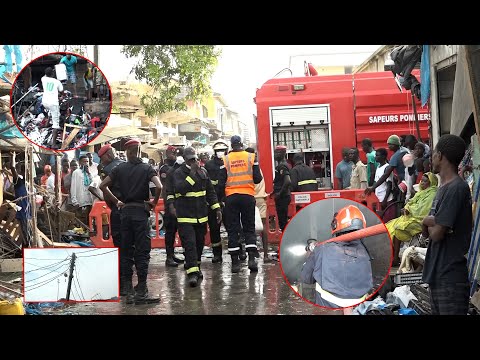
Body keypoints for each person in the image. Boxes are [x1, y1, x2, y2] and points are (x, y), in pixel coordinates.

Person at [100, 138, 162, 304]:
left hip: (124, 213)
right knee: (142, 251)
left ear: (127, 152)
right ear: (139, 151)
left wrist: (117, 201)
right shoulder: (147, 168)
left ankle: (127, 287)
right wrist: (154, 203)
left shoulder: (120, 169)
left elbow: (102, 186)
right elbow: (160, 187)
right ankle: (141, 289)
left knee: (126, 249)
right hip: (140, 213)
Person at [421, 134, 472, 315]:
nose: (431, 157)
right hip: (438, 274)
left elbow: (436, 234)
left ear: (440, 156)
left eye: (433, 153)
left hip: (450, 278)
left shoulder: (456, 188)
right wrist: (426, 223)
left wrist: (428, 221)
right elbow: (427, 233)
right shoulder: (443, 188)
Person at [300, 205, 373, 308]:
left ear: (335, 225)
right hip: (359, 309)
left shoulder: (322, 250)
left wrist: (310, 257)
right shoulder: (365, 252)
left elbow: (306, 278)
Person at [168, 147, 221, 286]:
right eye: (191, 159)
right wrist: (192, 174)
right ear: (185, 159)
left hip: (201, 216)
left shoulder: (203, 172)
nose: (194, 161)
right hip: (185, 217)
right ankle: (191, 273)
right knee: (189, 244)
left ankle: (196, 268)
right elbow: (181, 189)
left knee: (199, 244)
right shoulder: (178, 173)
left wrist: (217, 208)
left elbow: (210, 192)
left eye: (195, 158)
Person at [219, 136, 263, 273]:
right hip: (248, 197)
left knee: (233, 229)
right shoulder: (251, 157)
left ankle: (235, 264)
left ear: (231, 145)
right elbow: (257, 179)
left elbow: (221, 182)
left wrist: (221, 199)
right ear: (241, 144)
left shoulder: (225, 159)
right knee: (249, 228)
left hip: (231, 198)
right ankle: (251, 260)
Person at [386, 172, 438, 266]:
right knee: (388, 226)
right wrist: (406, 208)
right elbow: (411, 202)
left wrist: (408, 209)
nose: (422, 183)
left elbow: (421, 211)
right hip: (410, 217)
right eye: (421, 181)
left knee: (397, 229)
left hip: (420, 221)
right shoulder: (422, 192)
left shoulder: (432, 194)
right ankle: (393, 256)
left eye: (425, 181)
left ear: (431, 183)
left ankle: (395, 257)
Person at [159, 145, 184, 267]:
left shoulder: (179, 167)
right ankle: (169, 257)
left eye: (175, 153)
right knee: (170, 231)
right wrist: (169, 204)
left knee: (179, 230)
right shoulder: (165, 168)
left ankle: (173, 254)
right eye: (171, 153)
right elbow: (165, 187)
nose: (173, 155)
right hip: (170, 203)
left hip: (180, 203)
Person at [204, 141, 229, 263]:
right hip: (213, 202)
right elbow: (208, 185)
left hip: (228, 200)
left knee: (232, 227)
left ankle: (238, 252)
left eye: (222, 150)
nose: (220, 153)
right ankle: (217, 254)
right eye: (218, 151)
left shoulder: (229, 162)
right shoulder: (209, 165)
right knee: (214, 229)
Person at [98, 144, 125, 249]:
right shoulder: (126, 164)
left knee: (118, 236)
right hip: (130, 206)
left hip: (117, 207)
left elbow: (106, 192)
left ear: (108, 155)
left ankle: (122, 262)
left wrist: (114, 203)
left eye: (102, 158)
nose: (101, 161)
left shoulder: (107, 169)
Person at [245, 147, 270, 260]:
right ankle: (265, 255)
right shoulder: (257, 168)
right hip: (261, 199)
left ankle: (253, 252)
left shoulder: (246, 168)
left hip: (250, 199)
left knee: (250, 227)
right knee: (263, 226)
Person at [9, 152, 31, 248]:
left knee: (28, 235)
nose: (28, 173)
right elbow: (12, 168)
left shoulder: (27, 184)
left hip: (28, 212)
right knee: (26, 235)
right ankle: (25, 251)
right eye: (26, 171)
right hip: (22, 212)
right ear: (21, 172)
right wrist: (12, 157)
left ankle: (25, 249)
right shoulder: (18, 181)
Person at [40, 67, 64, 149]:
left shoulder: (43, 79)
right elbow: (61, 90)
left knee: (50, 112)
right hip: (53, 103)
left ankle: (46, 124)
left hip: (45, 102)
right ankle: (53, 144)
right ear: (53, 74)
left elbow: (46, 74)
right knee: (56, 124)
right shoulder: (57, 81)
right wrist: (62, 95)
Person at [70, 155, 94, 225]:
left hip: (89, 200)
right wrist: (74, 201)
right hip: (81, 201)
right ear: (80, 162)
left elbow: (92, 184)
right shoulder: (76, 172)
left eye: (87, 162)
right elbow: (73, 187)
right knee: (81, 221)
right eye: (84, 162)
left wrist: (89, 173)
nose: (86, 163)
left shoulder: (90, 173)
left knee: (89, 220)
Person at [271, 145, 291, 232]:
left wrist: (279, 193)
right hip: (282, 196)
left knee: (283, 223)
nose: (275, 155)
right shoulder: (280, 165)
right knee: (282, 221)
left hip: (283, 197)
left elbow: (287, 181)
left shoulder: (282, 166)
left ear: (283, 153)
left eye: (277, 153)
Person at [373, 148, 396, 223]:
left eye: (377, 155)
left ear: (383, 157)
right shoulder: (378, 167)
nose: (375, 157)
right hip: (379, 199)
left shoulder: (387, 168)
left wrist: (385, 200)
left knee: (388, 222)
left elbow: (389, 185)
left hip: (386, 201)